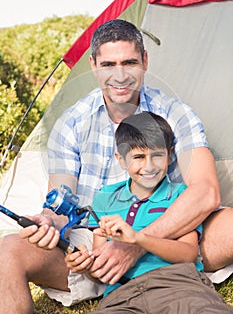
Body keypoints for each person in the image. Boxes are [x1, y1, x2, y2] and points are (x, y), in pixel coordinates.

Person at [0, 19, 232, 313]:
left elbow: (206, 193)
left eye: (130, 62)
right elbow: (61, 206)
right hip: (92, 247)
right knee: (8, 250)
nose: (120, 76)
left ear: (145, 61)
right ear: (93, 64)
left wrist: (135, 245)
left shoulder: (177, 114)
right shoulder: (71, 123)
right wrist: (50, 222)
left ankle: (161, 272)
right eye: (109, 64)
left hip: (169, 230)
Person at [64, 112, 233, 313]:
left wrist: (139, 238)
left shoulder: (180, 197)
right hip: (122, 296)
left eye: (157, 155)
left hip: (180, 285)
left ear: (170, 155)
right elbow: (102, 271)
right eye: (138, 157)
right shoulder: (105, 198)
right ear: (121, 159)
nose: (149, 166)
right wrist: (87, 265)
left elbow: (187, 254)